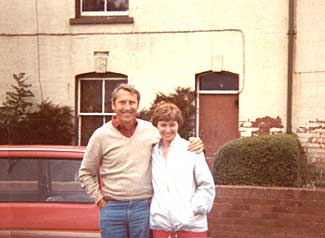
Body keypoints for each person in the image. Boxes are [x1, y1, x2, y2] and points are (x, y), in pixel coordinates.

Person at [78, 84, 203, 238]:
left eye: (132, 102)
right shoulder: (101, 136)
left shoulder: (150, 130)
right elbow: (85, 173)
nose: (127, 107)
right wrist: (99, 200)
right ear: (113, 105)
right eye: (122, 102)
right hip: (112, 208)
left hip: (143, 208)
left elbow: (171, 138)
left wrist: (195, 142)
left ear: (137, 105)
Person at [150, 102, 215, 238]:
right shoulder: (152, 151)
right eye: (163, 125)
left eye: (172, 124)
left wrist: (192, 210)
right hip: (160, 226)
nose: (168, 130)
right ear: (156, 125)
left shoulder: (191, 149)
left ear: (178, 125)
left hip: (191, 226)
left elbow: (206, 185)